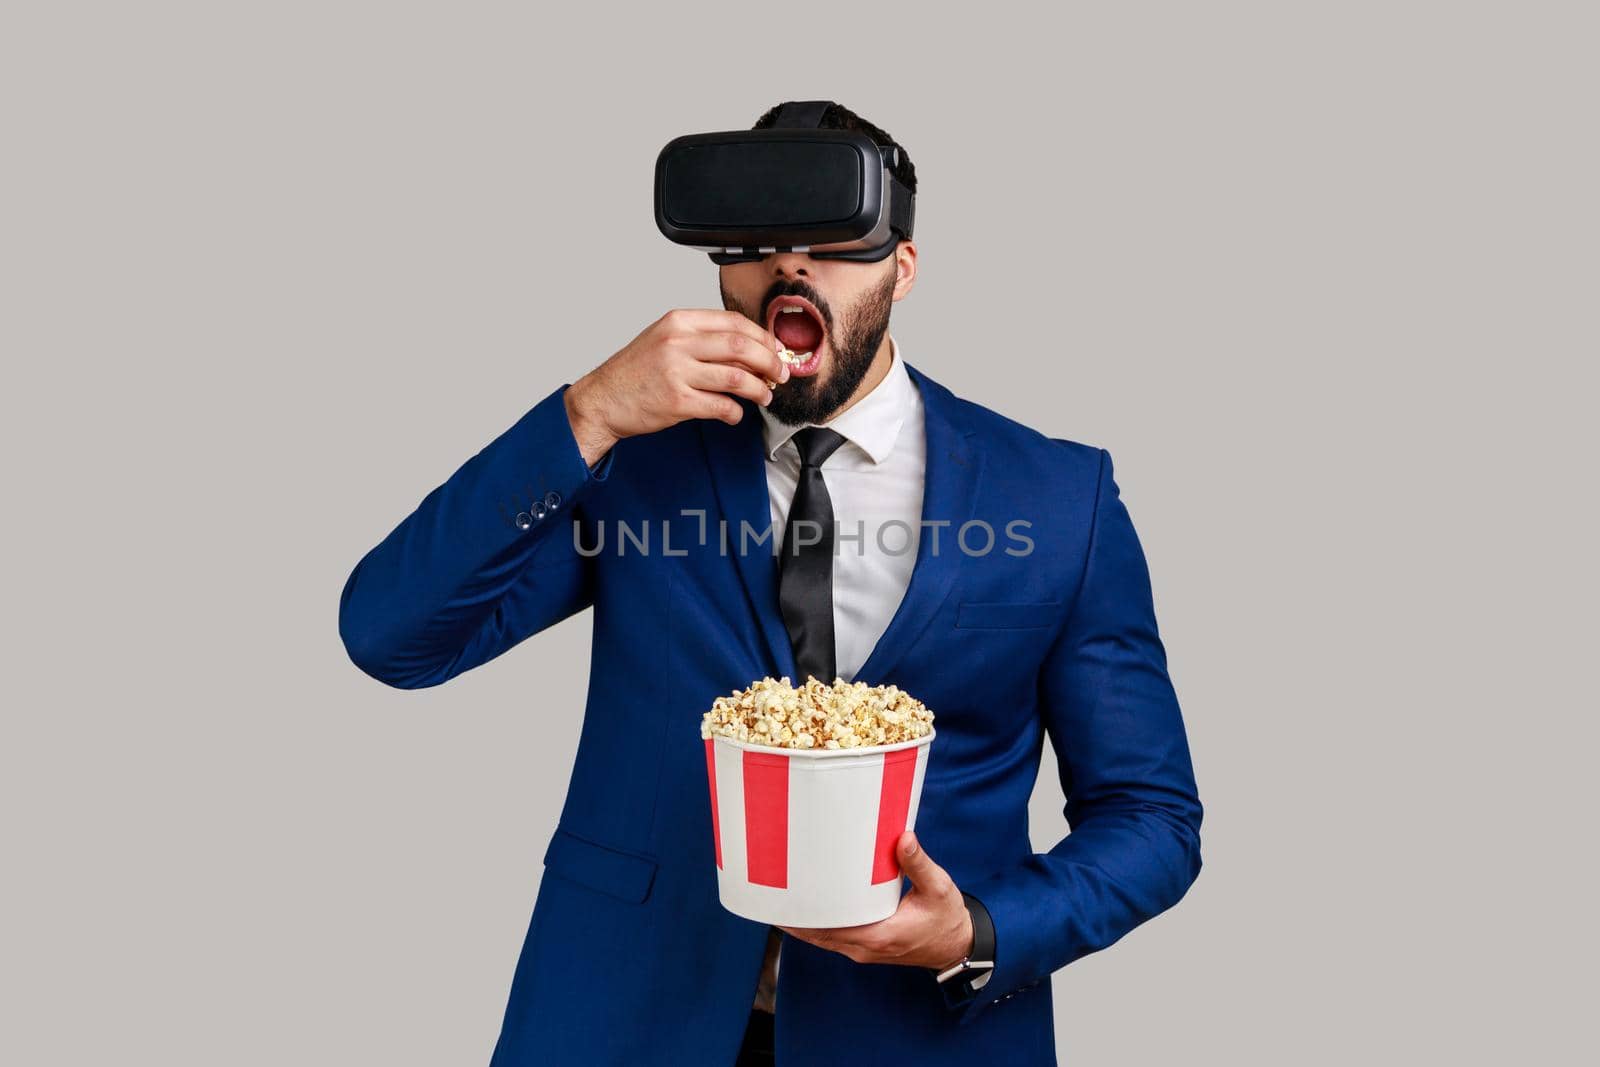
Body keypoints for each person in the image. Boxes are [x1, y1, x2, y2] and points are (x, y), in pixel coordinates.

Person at [339, 102, 1203, 1067]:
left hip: (920, 1033)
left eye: (830, 241)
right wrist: (585, 414)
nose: (790, 268)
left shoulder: (1056, 497)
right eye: (757, 242)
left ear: (902, 268)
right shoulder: (637, 459)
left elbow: (1152, 819)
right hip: (624, 1019)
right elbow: (392, 633)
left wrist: (981, 933)